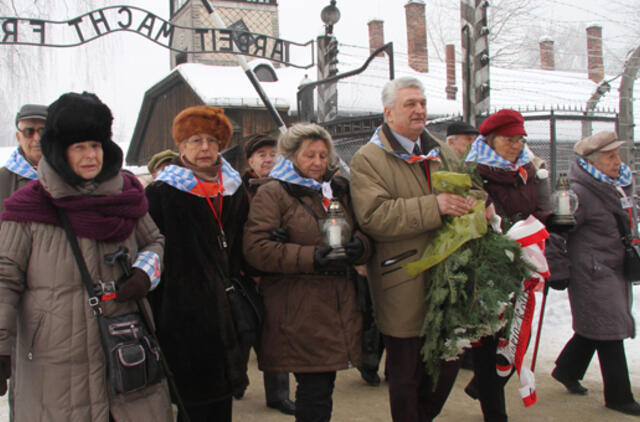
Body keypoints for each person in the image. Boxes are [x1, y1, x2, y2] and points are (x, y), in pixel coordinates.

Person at [0, 91, 173, 421]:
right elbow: (5, 277)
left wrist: (144, 273)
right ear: (60, 152)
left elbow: (155, 242)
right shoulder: (28, 207)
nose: (90, 155)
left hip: (126, 350)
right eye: (79, 147)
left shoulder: (126, 196)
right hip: (55, 362)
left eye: (95, 145)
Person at [349, 76, 475, 422]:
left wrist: (478, 202)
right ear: (389, 113)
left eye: (421, 103)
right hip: (402, 274)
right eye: (410, 104)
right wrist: (436, 206)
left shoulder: (439, 149)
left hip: (448, 273)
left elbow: (470, 187)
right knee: (407, 371)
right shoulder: (369, 159)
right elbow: (374, 216)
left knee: (449, 360)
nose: (419, 110)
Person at [243, 123, 370, 422]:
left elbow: (366, 232)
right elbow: (256, 249)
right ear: (291, 157)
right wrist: (311, 257)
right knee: (314, 389)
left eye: (323, 156)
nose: (317, 163)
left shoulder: (337, 189)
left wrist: (360, 247)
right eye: (309, 155)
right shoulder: (273, 192)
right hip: (298, 306)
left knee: (322, 387)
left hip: (339, 304)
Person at [145, 105, 249, 422]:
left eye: (211, 140)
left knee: (222, 403)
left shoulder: (234, 189)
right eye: (195, 140)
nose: (204, 147)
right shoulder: (161, 192)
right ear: (181, 147)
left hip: (227, 311)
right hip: (181, 314)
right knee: (192, 404)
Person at [463, 109, 550, 422]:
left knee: (518, 337)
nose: (516, 144)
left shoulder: (528, 168)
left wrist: (542, 228)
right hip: (490, 265)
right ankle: (494, 413)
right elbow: (472, 214)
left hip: (525, 261)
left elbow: (541, 207)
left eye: (520, 139)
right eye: (509, 139)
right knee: (489, 343)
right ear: (491, 139)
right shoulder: (474, 169)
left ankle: (483, 388)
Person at [551, 131, 640, 417]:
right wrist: (558, 269)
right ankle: (619, 396)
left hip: (613, 267)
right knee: (610, 329)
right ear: (592, 161)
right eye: (610, 157)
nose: (618, 161)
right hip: (592, 271)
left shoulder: (616, 184)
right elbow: (558, 230)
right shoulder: (580, 191)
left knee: (598, 325)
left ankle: (566, 370)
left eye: (617, 155)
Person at [238, 133, 296, 415]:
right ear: (250, 161)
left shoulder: (289, 187)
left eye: (273, 154)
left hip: (279, 274)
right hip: (245, 276)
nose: (269, 159)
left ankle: (278, 394)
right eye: (262, 155)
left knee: (276, 336)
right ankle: (236, 381)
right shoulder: (237, 191)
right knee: (242, 332)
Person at [0, 104, 48, 214]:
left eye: (43, 131)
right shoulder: (3, 179)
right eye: (28, 132)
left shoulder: (68, 175)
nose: (37, 138)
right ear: (18, 137)